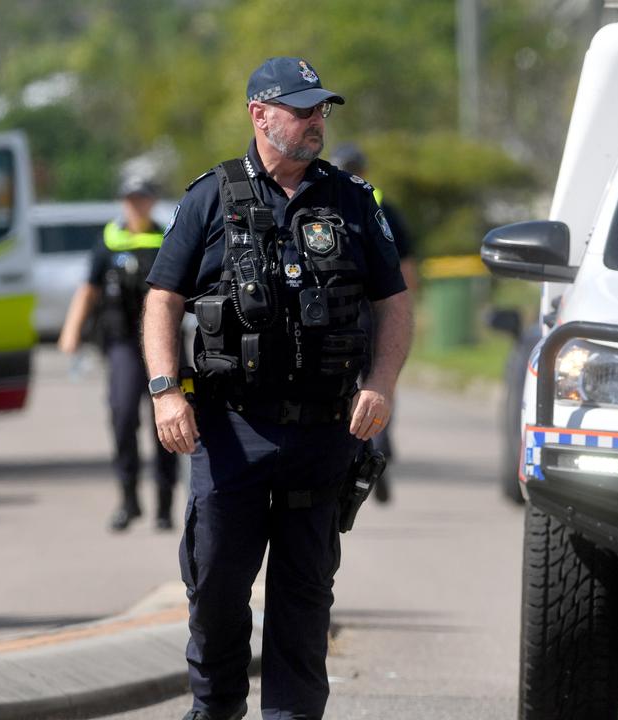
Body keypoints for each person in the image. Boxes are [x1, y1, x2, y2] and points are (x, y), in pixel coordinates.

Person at [143, 57, 412, 720]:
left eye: (322, 108)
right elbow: (161, 300)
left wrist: (380, 383)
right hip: (231, 431)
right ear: (260, 114)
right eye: (302, 108)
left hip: (322, 434)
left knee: (303, 600)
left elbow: (395, 304)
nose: (316, 120)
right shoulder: (211, 196)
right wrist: (164, 390)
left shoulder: (350, 200)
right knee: (216, 592)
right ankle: (215, 710)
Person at [59, 175, 177, 532]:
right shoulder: (108, 242)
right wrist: (71, 331)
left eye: (142, 198)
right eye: (130, 198)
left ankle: (164, 506)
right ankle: (128, 499)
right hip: (124, 342)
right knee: (123, 414)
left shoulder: (167, 238)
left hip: (166, 342)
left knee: (169, 420)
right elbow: (88, 289)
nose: (135, 205)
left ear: (152, 201)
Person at [328, 142, 417, 504]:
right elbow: (406, 267)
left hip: (346, 308)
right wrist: (406, 310)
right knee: (379, 381)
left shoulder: (335, 201)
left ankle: (364, 451)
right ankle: (377, 448)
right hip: (380, 308)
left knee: (352, 385)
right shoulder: (384, 206)